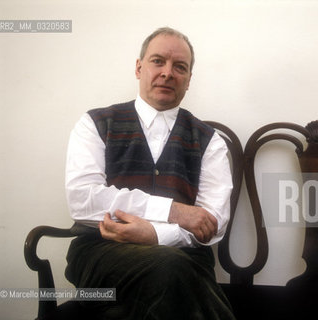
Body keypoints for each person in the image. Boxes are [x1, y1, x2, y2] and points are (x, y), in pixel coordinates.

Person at [64, 27, 235, 320]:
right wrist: (175, 213)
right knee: (171, 269)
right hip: (101, 255)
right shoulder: (94, 123)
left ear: (189, 80)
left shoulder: (210, 140)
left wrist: (155, 234)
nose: (168, 73)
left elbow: (211, 224)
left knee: (166, 276)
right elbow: (83, 200)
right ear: (139, 67)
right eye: (158, 61)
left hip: (185, 259)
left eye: (179, 67)